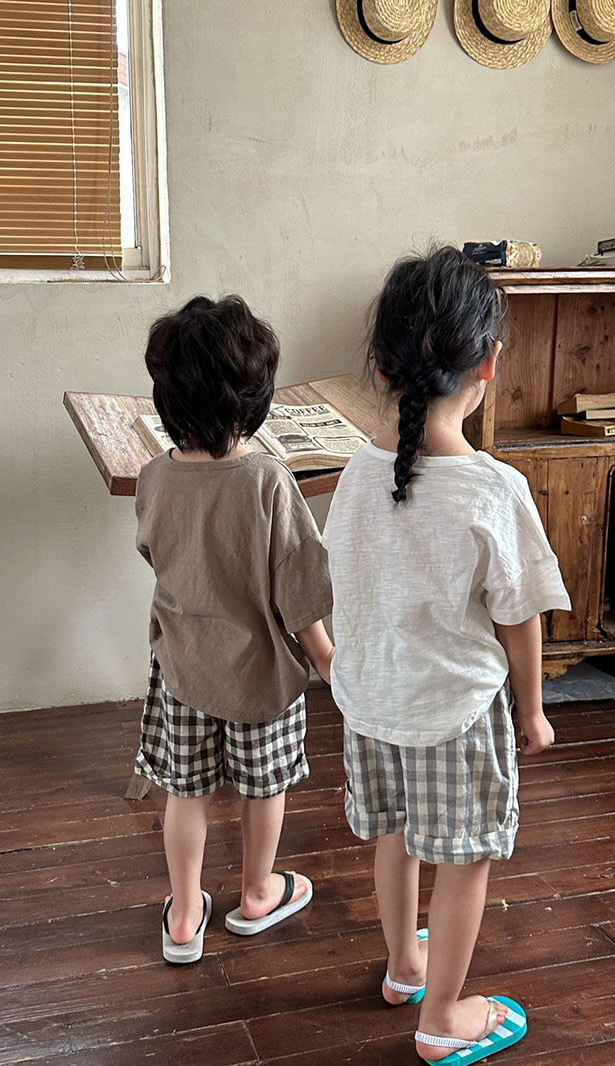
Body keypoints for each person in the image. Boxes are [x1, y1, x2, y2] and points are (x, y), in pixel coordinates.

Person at [324, 246, 570, 1064]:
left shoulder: (355, 476)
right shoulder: (493, 489)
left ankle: (404, 968)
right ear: (489, 363)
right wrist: (532, 711)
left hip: (370, 705)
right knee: (465, 860)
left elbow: (348, 583)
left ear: (382, 367)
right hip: (455, 716)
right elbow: (520, 617)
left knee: (393, 836)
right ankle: (441, 1020)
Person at [132, 295, 335, 964]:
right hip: (260, 676)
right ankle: (256, 893)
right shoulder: (268, 480)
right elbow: (299, 589)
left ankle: (185, 915)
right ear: (254, 400)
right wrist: (326, 658)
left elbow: (156, 556)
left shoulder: (154, 478)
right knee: (264, 787)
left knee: (184, 793)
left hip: (184, 668)